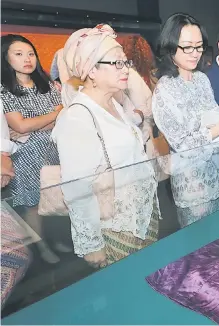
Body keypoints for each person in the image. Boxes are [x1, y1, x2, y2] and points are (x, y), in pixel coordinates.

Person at [52, 24, 160, 268]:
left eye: (126, 62)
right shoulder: (77, 116)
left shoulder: (116, 105)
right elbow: (77, 189)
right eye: (117, 63)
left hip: (141, 217)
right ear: (91, 70)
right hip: (116, 227)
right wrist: (92, 245)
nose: (126, 69)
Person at [152, 13, 219, 227]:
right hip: (190, 185)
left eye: (199, 46)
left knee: (218, 238)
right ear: (170, 47)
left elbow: (212, 116)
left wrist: (217, 125)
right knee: (197, 250)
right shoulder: (165, 89)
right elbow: (182, 145)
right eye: (187, 47)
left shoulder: (201, 79)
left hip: (213, 176)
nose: (195, 53)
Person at [1, 34, 67, 264]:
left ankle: (57, 238)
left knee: (57, 199)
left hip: (55, 151)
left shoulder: (48, 85)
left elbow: (65, 117)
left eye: (30, 54)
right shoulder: (4, 91)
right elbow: (19, 125)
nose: (27, 59)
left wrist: (33, 125)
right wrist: (55, 113)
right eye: (18, 54)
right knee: (34, 205)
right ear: (5, 59)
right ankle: (42, 246)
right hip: (26, 157)